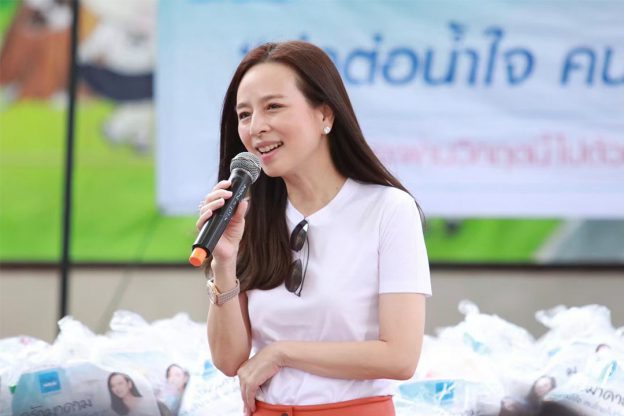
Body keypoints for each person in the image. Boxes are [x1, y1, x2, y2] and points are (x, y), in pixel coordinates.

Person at [197, 40, 431, 416]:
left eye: (273, 106)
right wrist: (224, 264)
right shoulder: (247, 217)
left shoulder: (389, 209)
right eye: (244, 114)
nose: (256, 127)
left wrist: (282, 353)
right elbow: (229, 361)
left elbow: (400, 357)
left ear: (325, 115)